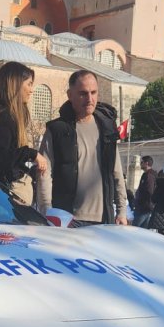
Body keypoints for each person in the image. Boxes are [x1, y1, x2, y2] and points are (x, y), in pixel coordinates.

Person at [37, 70, 128, 225]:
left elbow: (116, 171)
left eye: (93, 92)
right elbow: (44, 173)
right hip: (67, 220)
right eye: (83, 93)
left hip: (104, 219)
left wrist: (121, 211)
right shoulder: (57, 130)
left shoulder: (107, 128)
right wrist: (47, 211)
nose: (90, 99)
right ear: (70, 95)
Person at [0, 61, 46, 205]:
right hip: (6, 195)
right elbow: (1, 158)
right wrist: (32, 154)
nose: (32, 90)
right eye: (29, 84)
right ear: (16, 85)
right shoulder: (3, 117)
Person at [134, 155, 157, 228]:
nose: (141, 164)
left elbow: (149, 191)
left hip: (144, 207)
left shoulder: (149, 175)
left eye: (142, 162)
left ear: (146, 163)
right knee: (142, 229)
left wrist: (141, 200)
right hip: (146, 206)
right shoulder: (149, 174)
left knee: (135, 228)